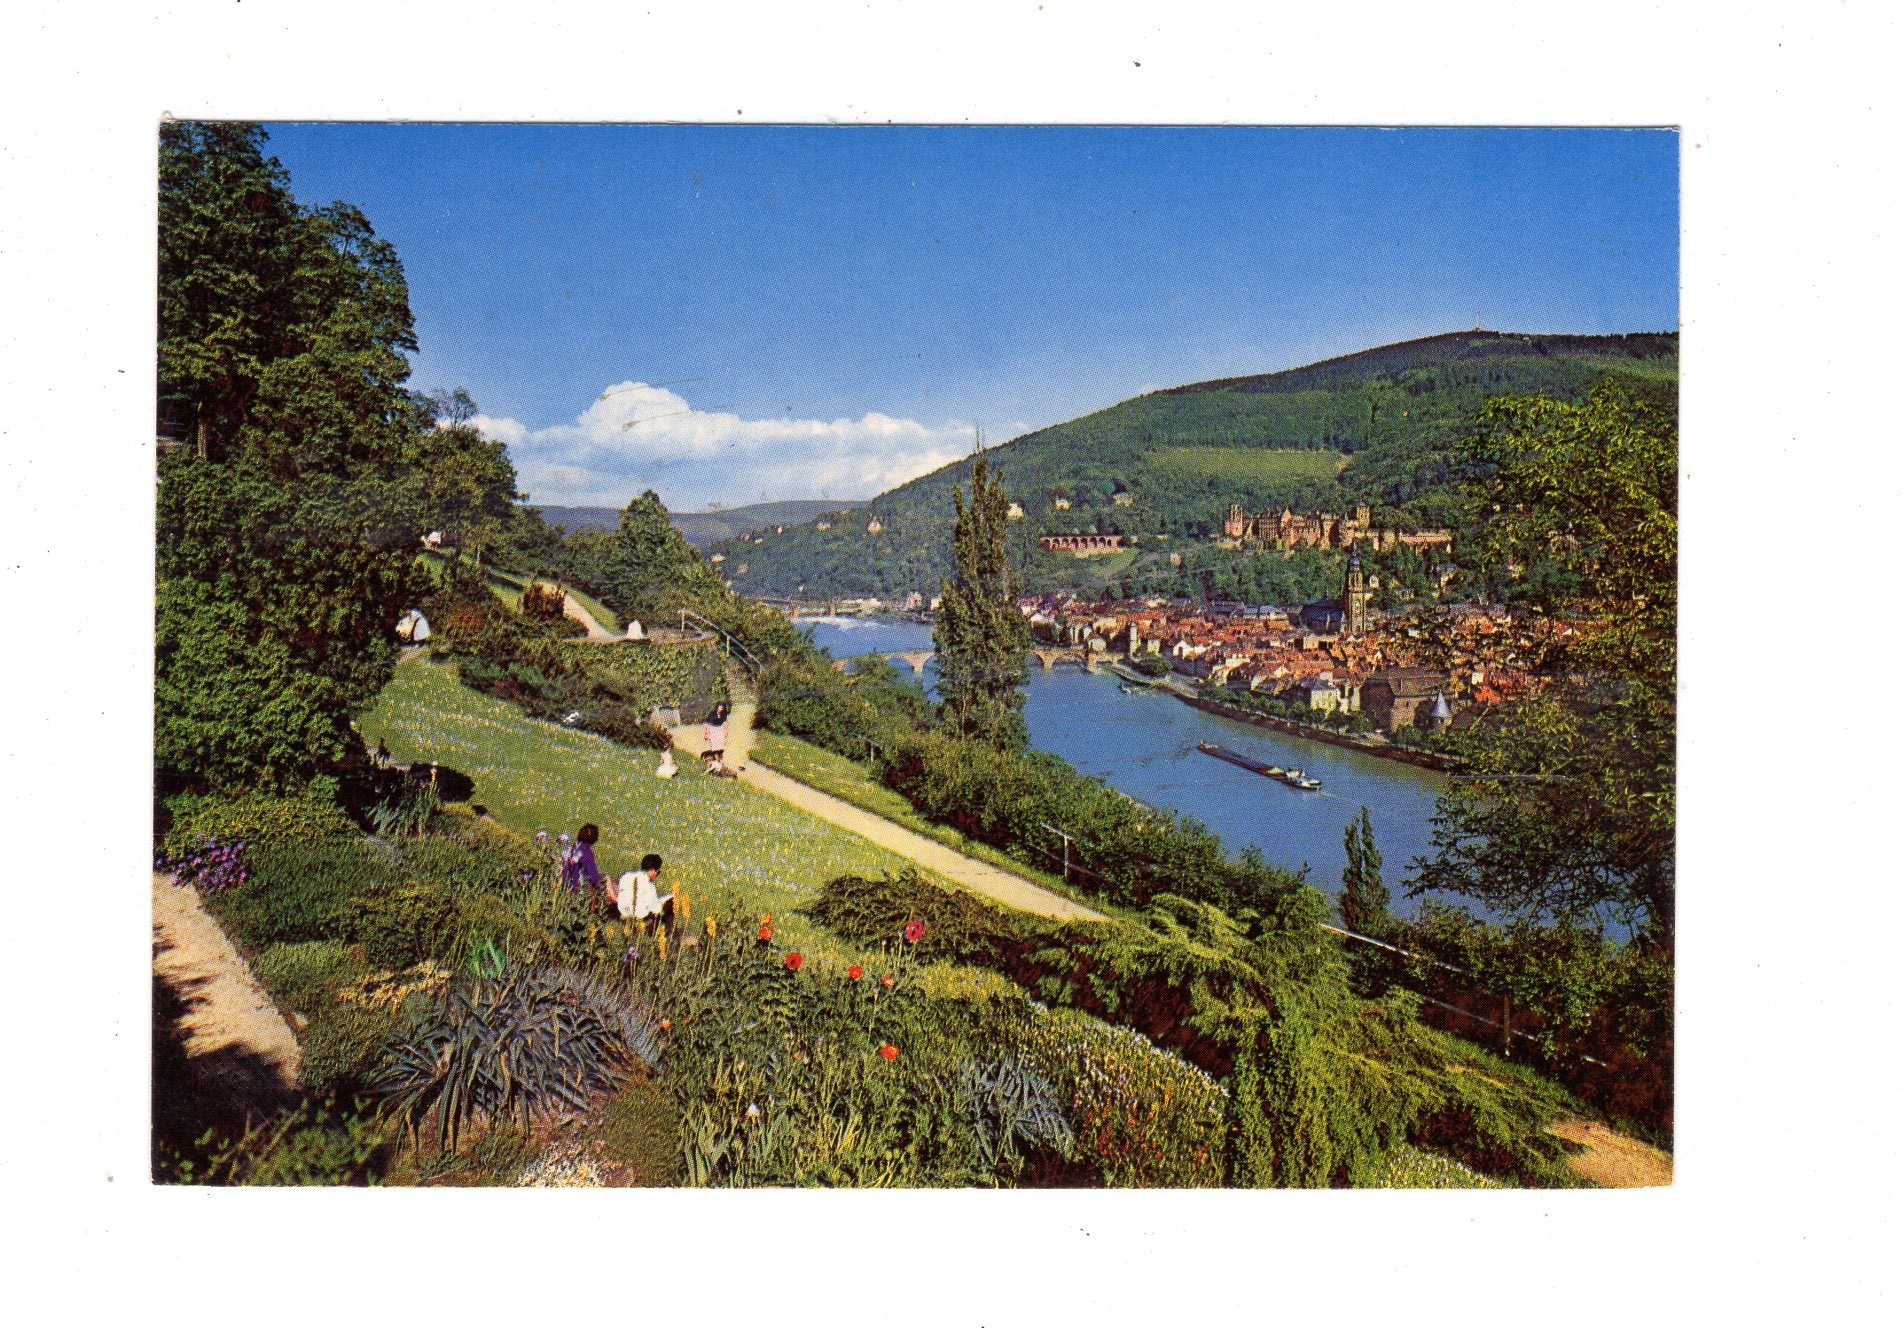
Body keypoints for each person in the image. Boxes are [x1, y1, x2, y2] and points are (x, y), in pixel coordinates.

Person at [616, 853, 673, 929]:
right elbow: (655, 909)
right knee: (672, 899)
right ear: (652, 871)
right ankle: (666, 928)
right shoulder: (650, 887)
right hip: (639, 918)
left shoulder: (626, 876)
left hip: (623, 912)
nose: (657, 875)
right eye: (658, 872)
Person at [558, 823, 607, 908]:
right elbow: (594, 877)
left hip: (562, 881)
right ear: (595, 838)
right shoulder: (586, 852)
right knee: (606, 880)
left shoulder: (573, 846)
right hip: (575, 887)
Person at [702, 702, 729, 775]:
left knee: (721, 748)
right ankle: (718, 763)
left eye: (722, 707)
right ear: (717, 707)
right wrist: (706, 733)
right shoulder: (712, 713)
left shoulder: (724, 715)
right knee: (715, 748)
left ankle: (719, 761)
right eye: (720, 706)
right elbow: (707, 723)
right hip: (713, 730)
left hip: (720, 731)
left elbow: (725, 723)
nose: (721, 708)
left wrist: (726, 732)